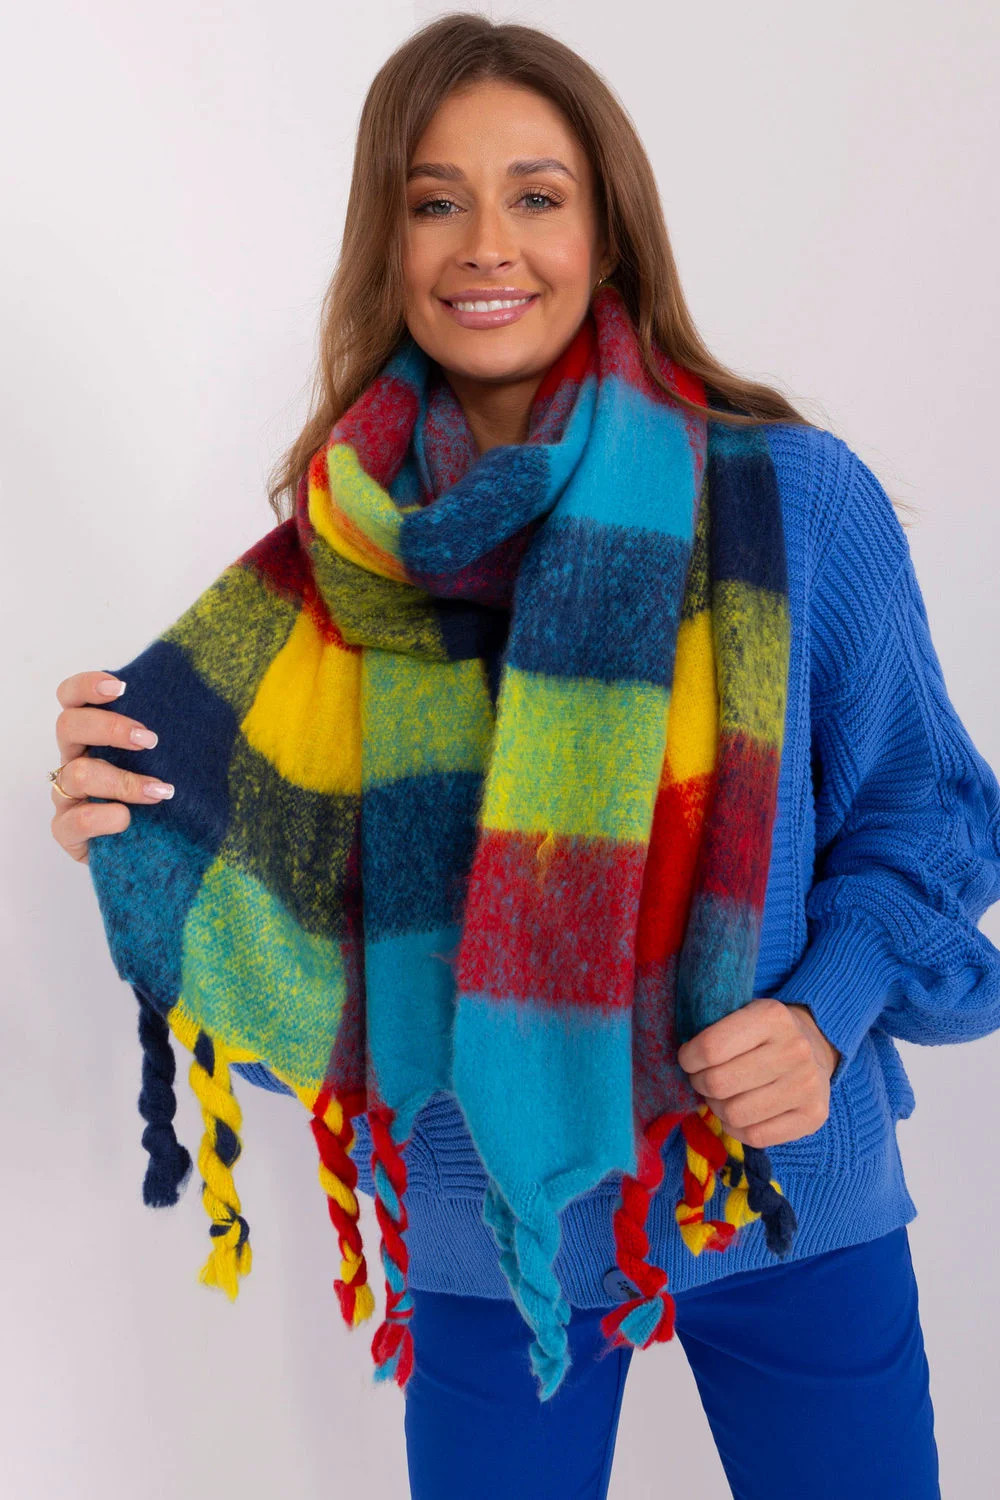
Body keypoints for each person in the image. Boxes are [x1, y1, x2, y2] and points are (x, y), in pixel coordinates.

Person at [49, 14, 1000, 1499]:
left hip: (783, 1187)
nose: (487, 244)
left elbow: (928, 816)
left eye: (536, 195)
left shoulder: (791, 502)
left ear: (606, 232)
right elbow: (295, 919)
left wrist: (825, 1015)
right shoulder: (338, 564)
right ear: (386, 243)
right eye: (435, 200)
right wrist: (137, 825)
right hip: (485, 1226)